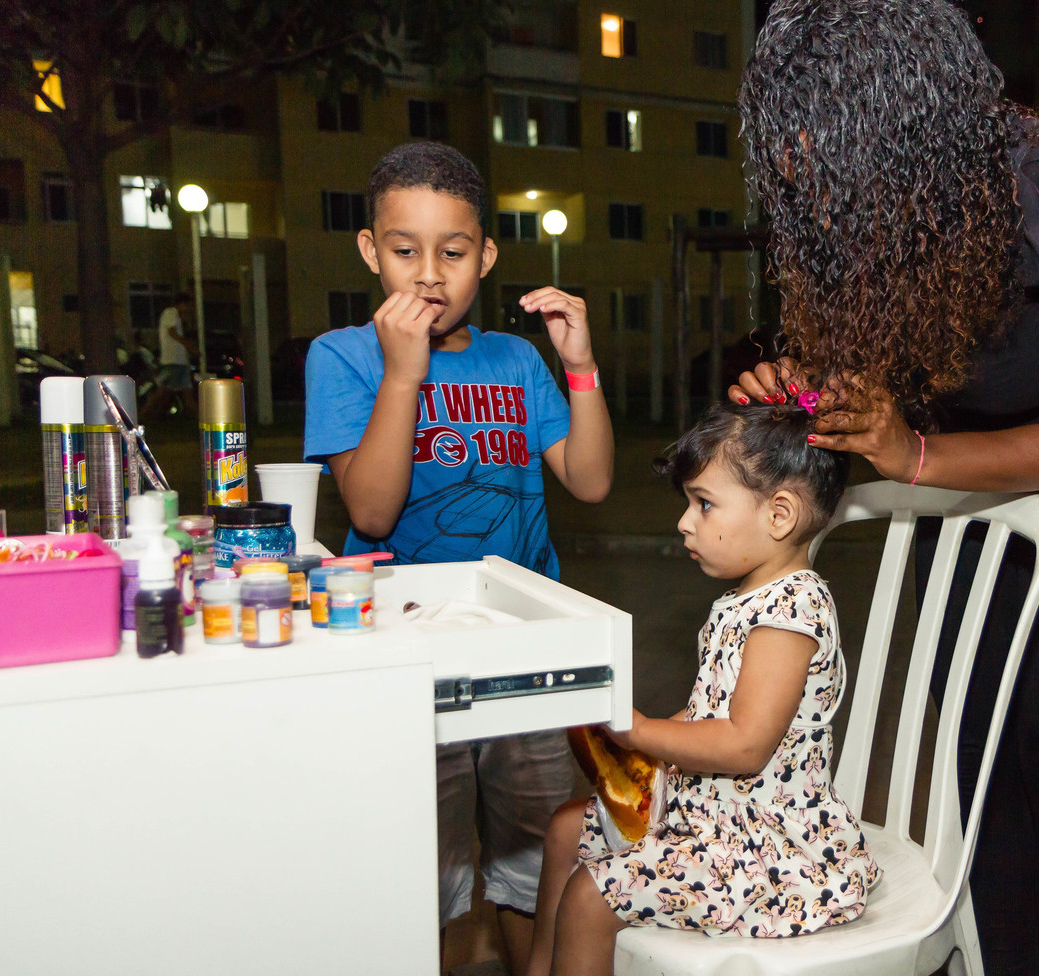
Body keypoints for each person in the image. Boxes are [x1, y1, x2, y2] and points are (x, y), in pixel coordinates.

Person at [732, 3, 1039, 975]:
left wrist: (919, 459)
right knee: (978, 756)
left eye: (824, 131)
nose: (801, 162)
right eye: (789, 133)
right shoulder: (839, 202)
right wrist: (798, 392)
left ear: (906, 120)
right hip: (952, 447)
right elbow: (855, 383)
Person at [302, 141, 614, 975]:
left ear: (487, 254)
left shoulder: (515, 361)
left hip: (520, 650)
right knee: (422, 877)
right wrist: (403, 377)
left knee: (537, 865)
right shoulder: (342, 356)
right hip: (405, 654)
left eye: (454, 251)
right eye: (405, 250)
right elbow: (371, 509)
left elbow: (589, 480)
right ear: (371, 251)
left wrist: (578, 365)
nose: (429, 274)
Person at [528, 401, 879, 976]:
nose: (685, 522)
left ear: (780, 515)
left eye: (704, 503)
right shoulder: (746, 599)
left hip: (763, 845)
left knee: (590, 898)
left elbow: (744, 744)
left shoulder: (791, 610)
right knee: (567, 830)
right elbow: (711, 710)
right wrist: (638, 746)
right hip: (707, 809)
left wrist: (640, 729)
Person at [143, 293, 197, 419]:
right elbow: (172, 332)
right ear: (182, 304)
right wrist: (189, 346)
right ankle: (143, 415)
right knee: (163, 392)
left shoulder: (176, 316)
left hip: (178, 361)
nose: (189, 309)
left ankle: (151, 416)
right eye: (188, 305)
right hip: (173, 360)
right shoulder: (171, 313)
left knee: (175, 392)